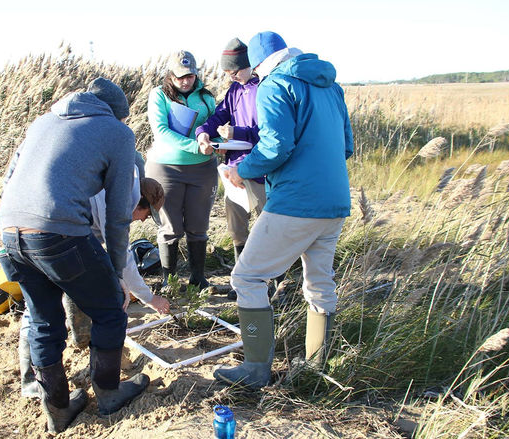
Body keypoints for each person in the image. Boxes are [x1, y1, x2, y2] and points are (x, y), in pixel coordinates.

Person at [0, 77, 149, 433]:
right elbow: (117, 215)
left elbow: (10, 179)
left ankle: (58, 409)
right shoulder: (117, 132)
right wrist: (115, 273)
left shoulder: (43, 121)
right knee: (110, 310)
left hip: (8, 231)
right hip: (57, 229)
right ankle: (109, 394)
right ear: (117, 114)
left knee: (43, 320)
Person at [213, 32, 353, 389]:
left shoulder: (275, 84)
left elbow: (276, 147)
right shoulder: (331, 87)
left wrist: (240, 170)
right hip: (335, 201)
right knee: (320, 283)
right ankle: (315, 368)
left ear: (260, 64)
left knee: (246, 278)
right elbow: (347, 146)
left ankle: (256, 368)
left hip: (296, 202)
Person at [18, 176, 170, 400]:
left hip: (17, 231)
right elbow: (123, 258)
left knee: (38, 312)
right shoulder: (118, 201)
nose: (142, 221)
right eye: (146, 215)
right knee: (108, 307)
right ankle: (107, 390)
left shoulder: (109, 187)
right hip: (51, 236)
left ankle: (33, 383)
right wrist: (150, 298)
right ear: (139, 204)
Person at [194, 38, 278, 299]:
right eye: (228, 73)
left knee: (268, 227)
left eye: (235, 71)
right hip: (232, 169)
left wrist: (237, 131)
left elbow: (271, 133)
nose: (232, 76)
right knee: (237, 228)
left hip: (260, 170)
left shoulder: (265, 88)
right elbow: (216, 118)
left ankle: (276, 285)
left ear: (250, 65)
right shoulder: (233, 90)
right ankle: (243, 282)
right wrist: (203, 135)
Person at [145, 50, 218, 290]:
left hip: (202, 170)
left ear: (196, 74)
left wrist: (220, 142)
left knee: (198, 225)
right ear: (170, 75)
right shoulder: (159, 96)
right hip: (165, 168)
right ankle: (170, 281)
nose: (185, 81)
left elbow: (214, 128)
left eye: (189, 76)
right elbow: (161, 131)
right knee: (170, 227)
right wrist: (196, 147)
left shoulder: (206, 97)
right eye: (179, 77)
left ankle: (198, 279)